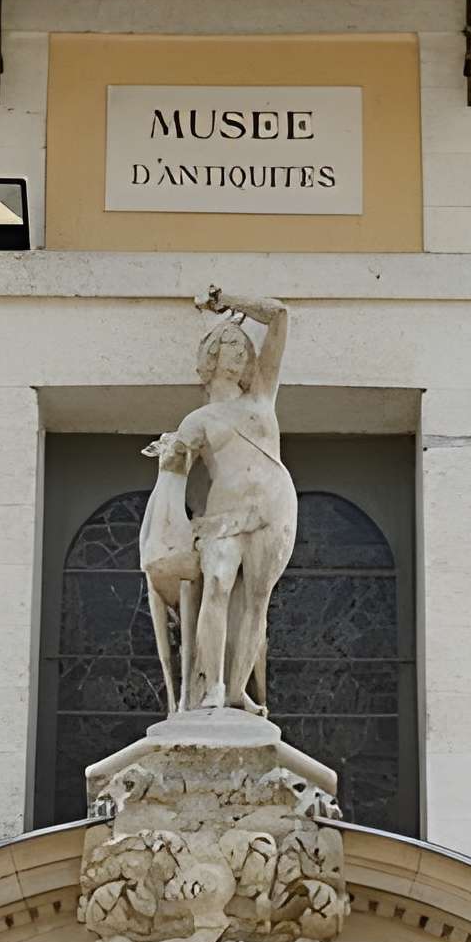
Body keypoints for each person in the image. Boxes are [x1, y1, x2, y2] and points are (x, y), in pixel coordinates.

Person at [173, 286, 297, 714]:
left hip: (273, 508)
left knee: (257, 599)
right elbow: (173, 475)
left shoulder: (261, 395)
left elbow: (279, 316)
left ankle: (236, 691)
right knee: (218, 584)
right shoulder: (197, 421)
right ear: (211, 356)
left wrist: (228, 299)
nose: (241, 352)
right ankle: (212, 685)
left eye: (244, 347)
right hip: (224, 514)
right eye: (229, 345)